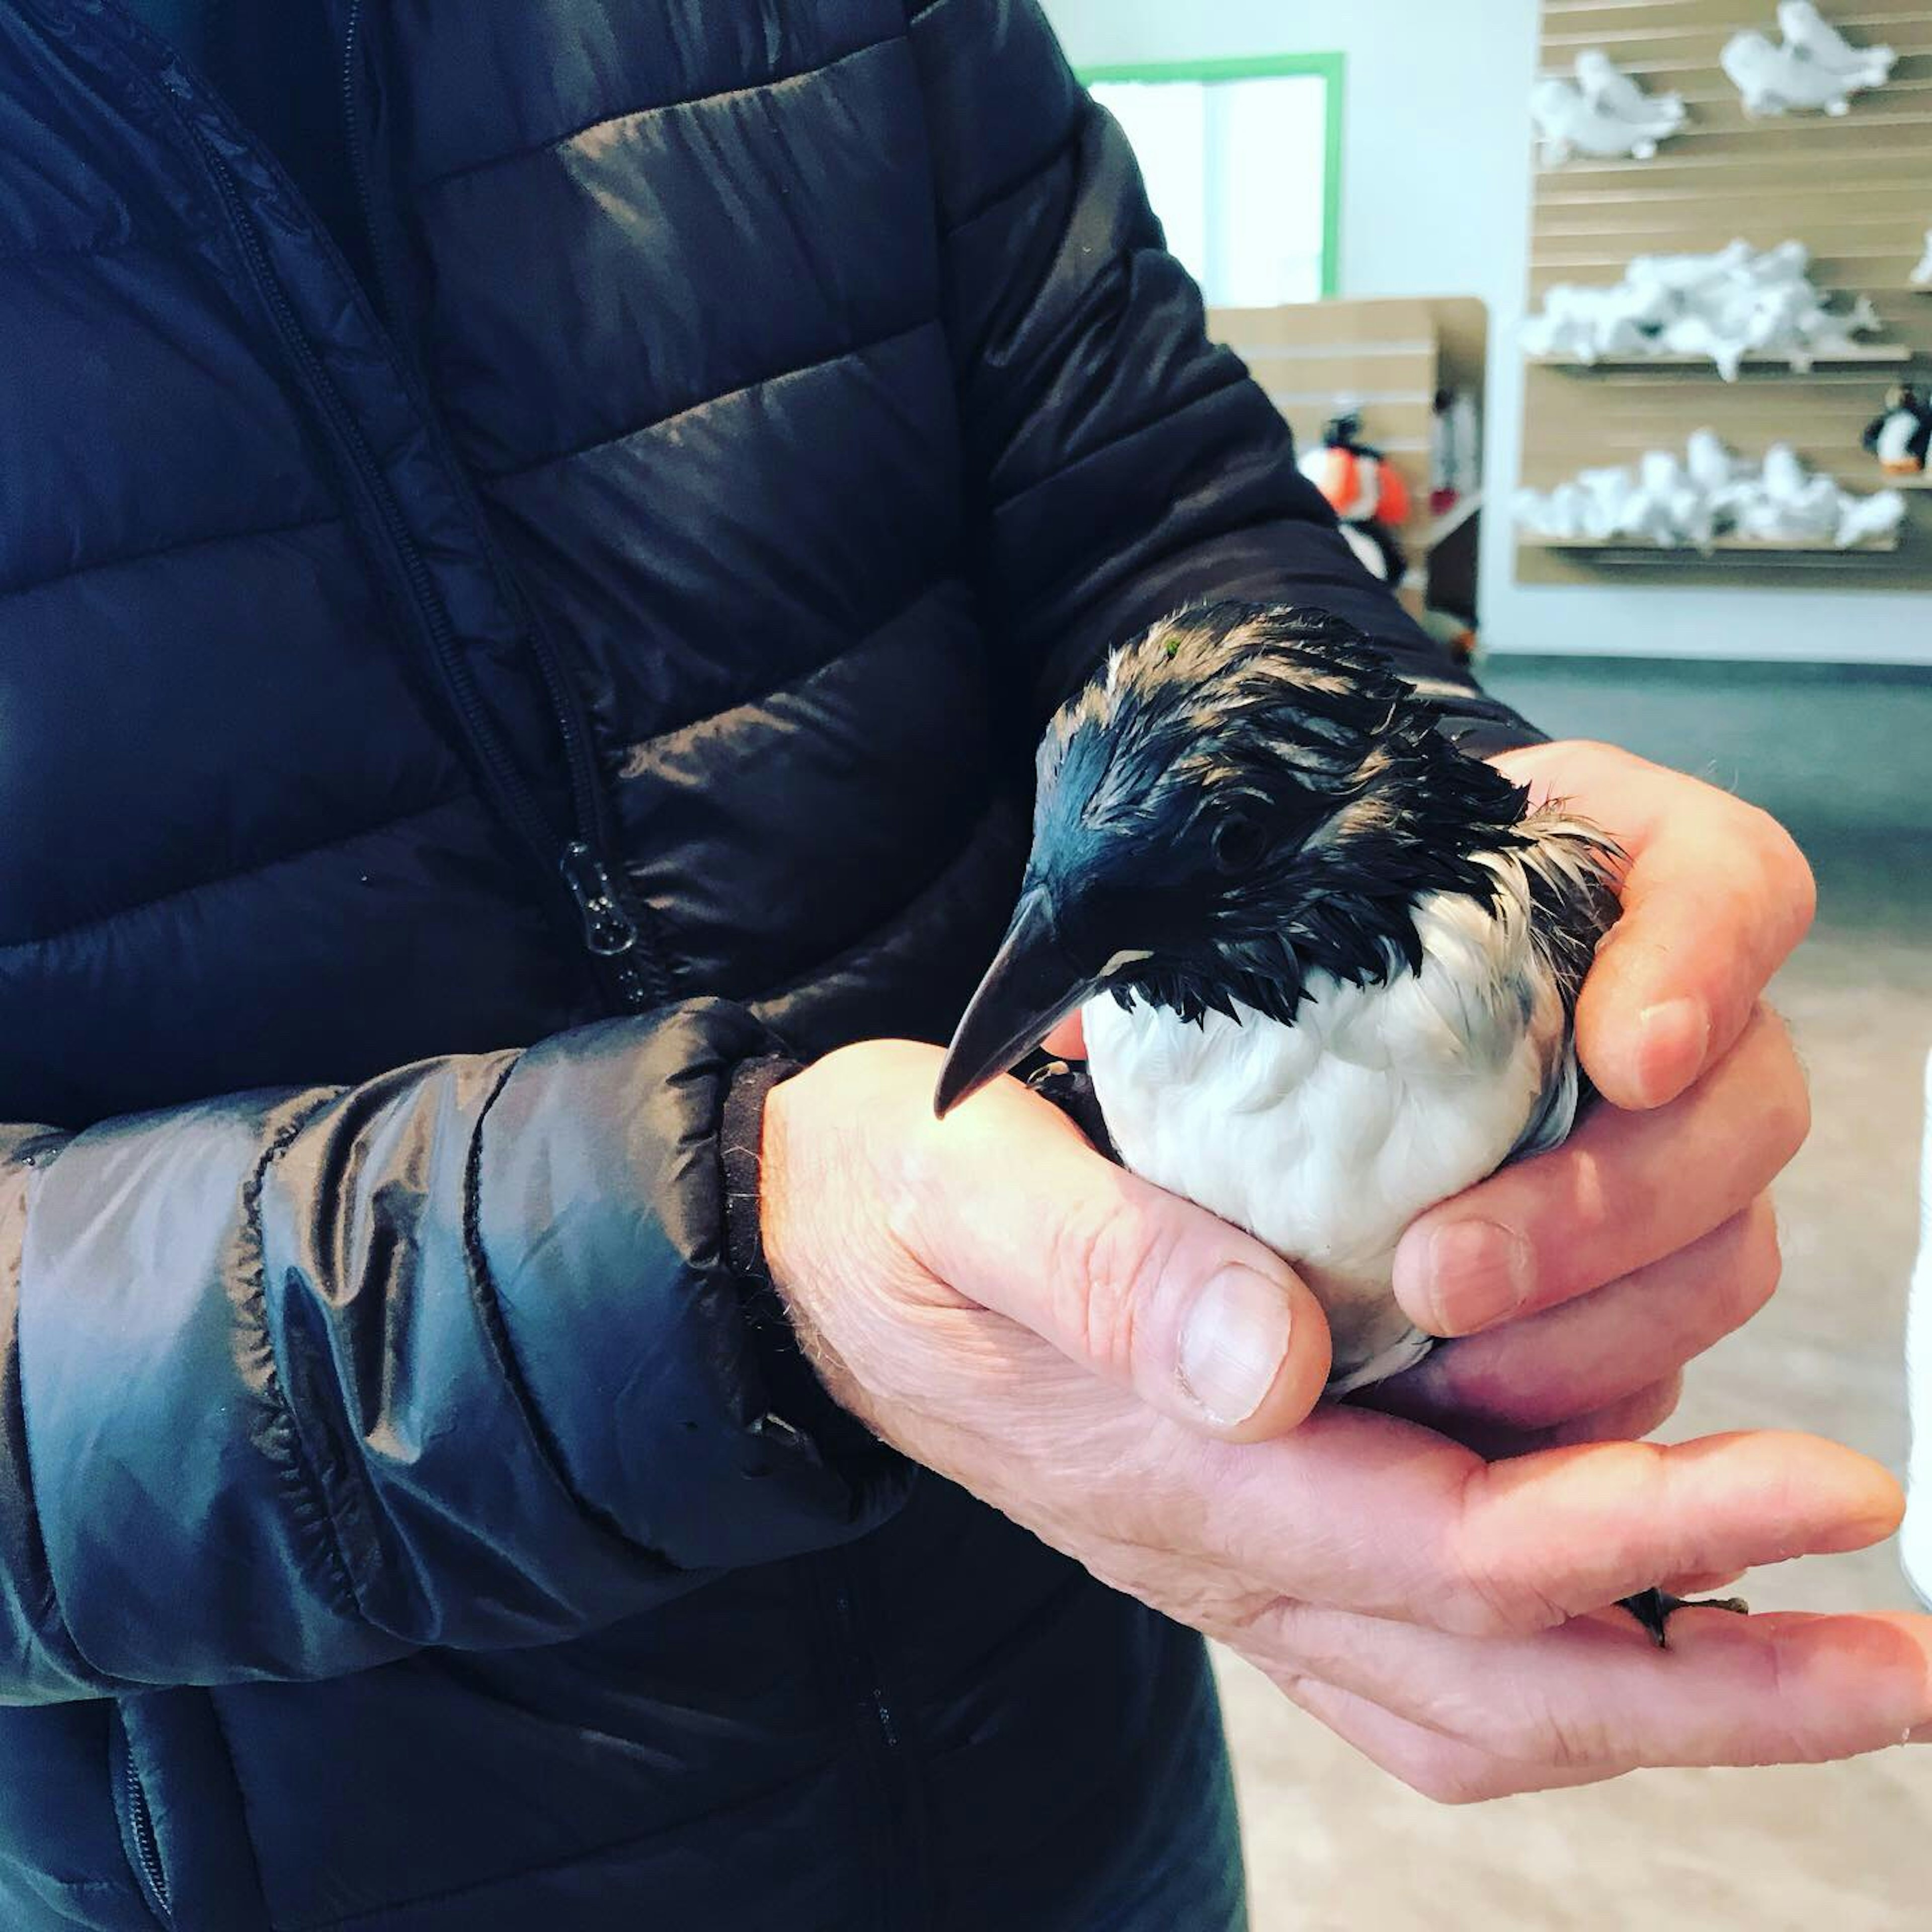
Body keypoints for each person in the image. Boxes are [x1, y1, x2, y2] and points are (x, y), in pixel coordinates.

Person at [0, 4, 1922, 1928]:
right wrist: (731, 1272)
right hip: (306, 1841)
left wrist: (1441, 815)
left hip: (1068, 1664)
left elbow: (1151, 508)